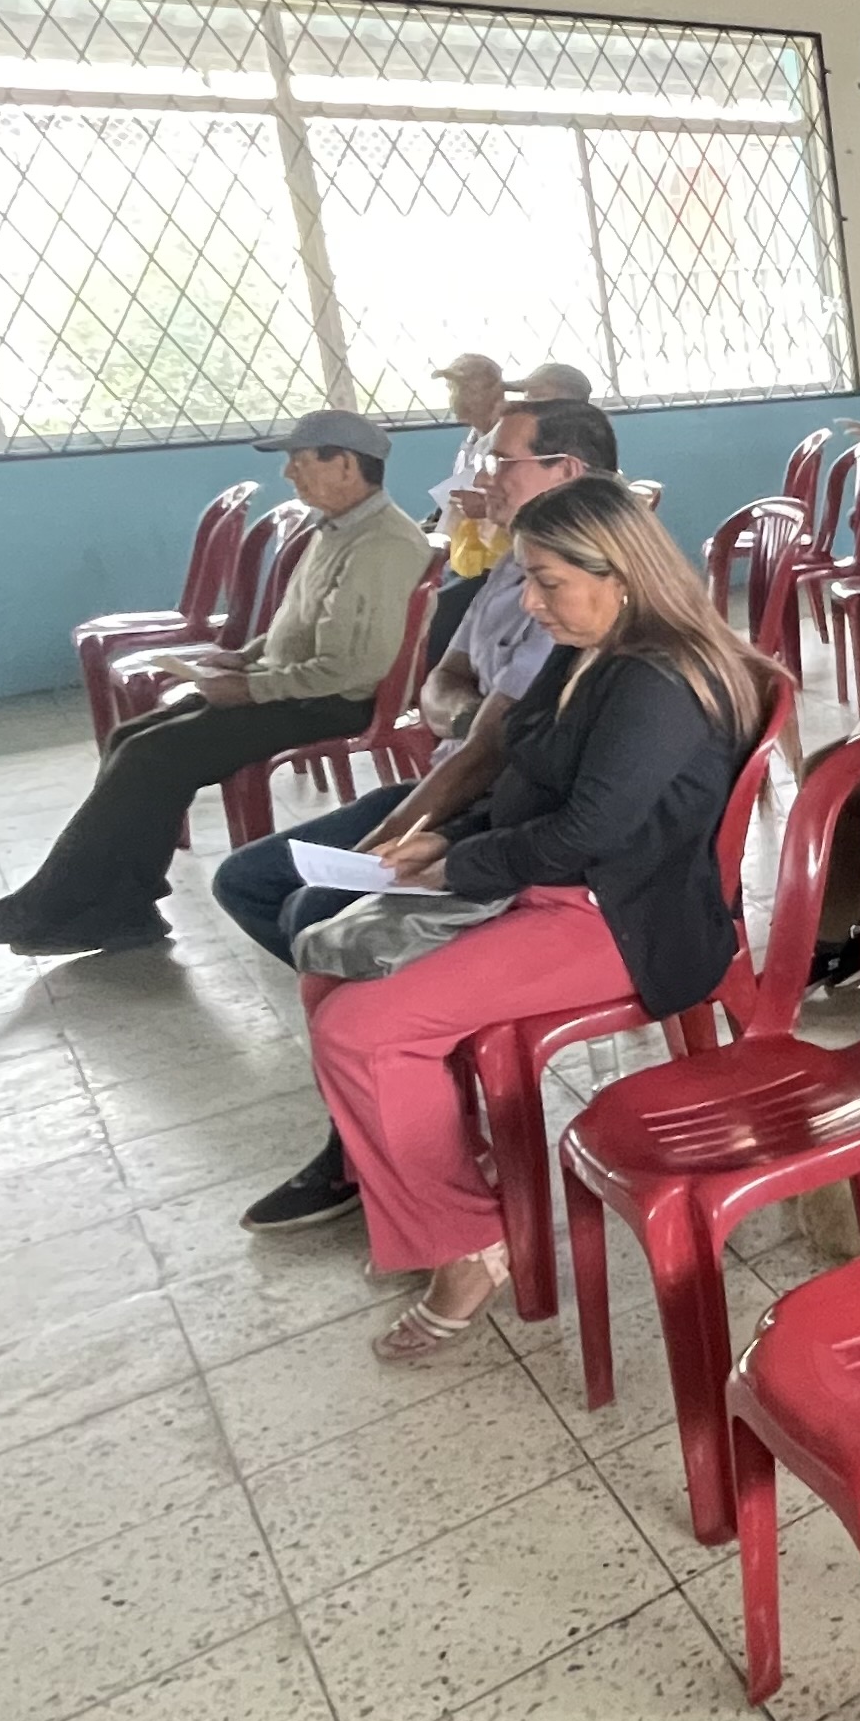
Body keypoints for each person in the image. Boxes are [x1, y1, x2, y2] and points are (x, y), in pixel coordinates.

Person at [304, 476, 780, 1358]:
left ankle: (467, 1243)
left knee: (360, 1030)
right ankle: (442, 1174)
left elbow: (589, 830)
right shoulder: (589, 647)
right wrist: (445, 835)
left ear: (621, 576)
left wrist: (458, 862)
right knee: (330, 963)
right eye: (528, 578)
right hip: (551, 884)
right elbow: (529, 780)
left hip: (619, 917)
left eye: (548, 581)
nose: (530, 602)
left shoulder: (656, 680)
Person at [211, 394, 615, 1233]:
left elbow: (494, 751)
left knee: (320, 912)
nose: (481, 477)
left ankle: (374, 1125)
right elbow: (442, 684)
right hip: (458, 776)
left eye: (502, 461)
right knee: (248, 881)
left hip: (493, 802)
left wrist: (388, 844)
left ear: (566, 471)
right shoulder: (517, 560)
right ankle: (402, 1080)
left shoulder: (589, 582)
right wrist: (464, 717)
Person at [0, 412, 430, 957]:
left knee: (156, 754)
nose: (289, 472)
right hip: (293, 686)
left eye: (301, 460)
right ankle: (120, 907)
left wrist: (250, 689)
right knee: (133, 738)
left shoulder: (382, 545)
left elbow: (354, 671)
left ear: (346, 465)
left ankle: (51, 906)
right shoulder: (337, 528)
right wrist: (242, 660)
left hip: (332, 702)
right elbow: (296, 626)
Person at [417, 355, 510, 672]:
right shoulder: (472, 439)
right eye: (452, 389)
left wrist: (485, 505)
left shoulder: (508, 440)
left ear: (496, 391)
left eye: (467, 389)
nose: (456, 399)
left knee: (431, 619)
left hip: (493, 564)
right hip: (463, 557)